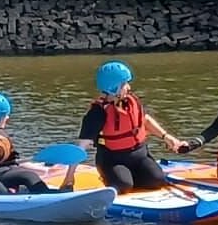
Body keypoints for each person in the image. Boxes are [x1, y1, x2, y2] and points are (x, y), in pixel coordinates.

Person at [61, 60, 181, 194]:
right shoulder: (97, 112)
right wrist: (69, 178)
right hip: (112, 160)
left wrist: (166, 137)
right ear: (113, 88)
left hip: (139, 156)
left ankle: (134, 176)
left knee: (156, 180)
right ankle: (115, 178)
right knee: (123, 185)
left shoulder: (131, 101)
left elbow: (145, 120)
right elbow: (81, 146)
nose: (128, 87)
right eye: (124, 84)